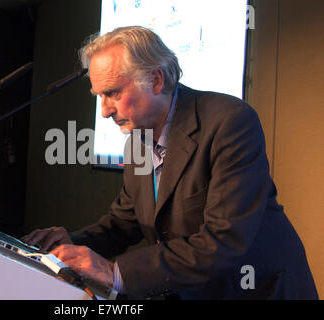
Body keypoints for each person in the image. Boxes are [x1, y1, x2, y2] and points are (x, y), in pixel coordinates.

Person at [21, 26, 318, 299]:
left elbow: (223, 241)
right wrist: (67, 244)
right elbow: (122, 224)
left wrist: (114, 272)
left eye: (112, 93)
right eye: (99, 96)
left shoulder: (229, 121)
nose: (104, 111)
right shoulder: (136, 140)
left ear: (155, 79)